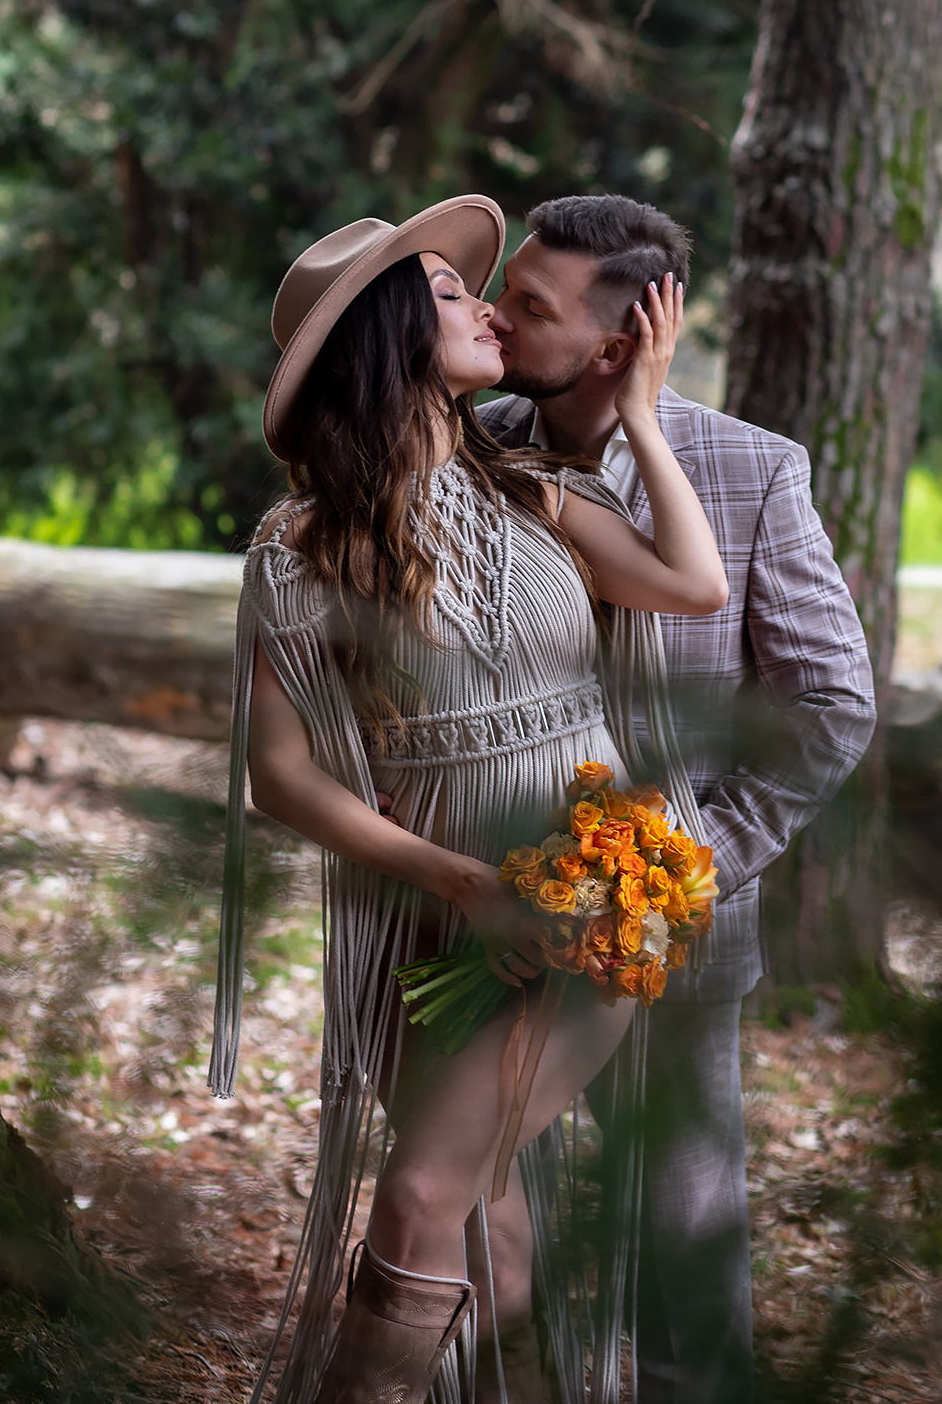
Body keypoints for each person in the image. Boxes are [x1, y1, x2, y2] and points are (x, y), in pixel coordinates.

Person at [208, 195, 729, 1404]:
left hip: (593, 901)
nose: (484, 307)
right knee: (487, 1242)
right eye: (449, 296)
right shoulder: (298, 550)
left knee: (426, 1192)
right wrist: (460, 881)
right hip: (424, 922)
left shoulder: (535, 493)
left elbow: (692, 586)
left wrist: (642, 417)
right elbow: (280, 779)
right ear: (391, 339)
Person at [479, 192, 877, 1404]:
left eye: (529, 305)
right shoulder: (470, 449)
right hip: (486, 917)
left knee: (680, 1230)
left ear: (617, 343)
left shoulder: (752, 474)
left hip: (677, 936)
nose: (498, 316)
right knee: (495, 1209)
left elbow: (831, 704)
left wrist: (677, 866)